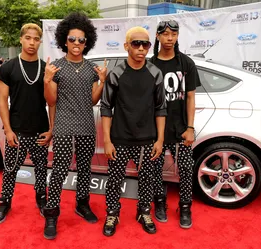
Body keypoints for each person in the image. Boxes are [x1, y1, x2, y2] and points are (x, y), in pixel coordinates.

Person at [42, 12, 107, 240]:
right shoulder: (56, 67)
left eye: (81, 40)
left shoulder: (91, 68)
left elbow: (93, 100)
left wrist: (101, 82)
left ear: (86, 42)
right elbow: (51, 101)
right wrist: (47, 79)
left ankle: (82, 205)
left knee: (85, 169)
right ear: (64, 40)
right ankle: (51, 214)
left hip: (87, 126)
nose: (77, 44)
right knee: (59, 169)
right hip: (62, 126)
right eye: (72, 39)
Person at [100, 26, 167, 236]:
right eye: (136, 43)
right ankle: (112, 212)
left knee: (147, 179)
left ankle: (144, 212)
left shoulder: (155, 73)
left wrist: (159, 140)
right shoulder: (116, 73)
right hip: (119, 139)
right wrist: (107, 141)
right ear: (126, 46)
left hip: (147, 139)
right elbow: (105, 107)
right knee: (114, 180)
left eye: (145, 44)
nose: (141, 48)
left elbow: (161, 108)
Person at [0, 23, 55, 224]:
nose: (32, 42)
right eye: (28, 38)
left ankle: (41, 199)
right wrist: (8, 129)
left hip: (40, 131)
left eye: (36, 39)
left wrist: (52, 129)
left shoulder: (46, 69)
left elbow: (53, 102)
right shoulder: (8, 67)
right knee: (10, 170)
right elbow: (2, 100)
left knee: (41, 169)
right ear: (21, 39)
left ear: (40, 41)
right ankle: (5, 202)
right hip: (16, 131)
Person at [150, 20, 201, 229]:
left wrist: (190, 128)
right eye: (166, 34)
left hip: (180, 128)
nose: (170, 38)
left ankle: (185, 206)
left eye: (174, 34)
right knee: (155, 169)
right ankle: (159, 203)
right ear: (158, 36)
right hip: (156, 130)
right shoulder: (150, 64)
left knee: (186, 169)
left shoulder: (186, 63)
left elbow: (190, 97)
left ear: (178, 36)